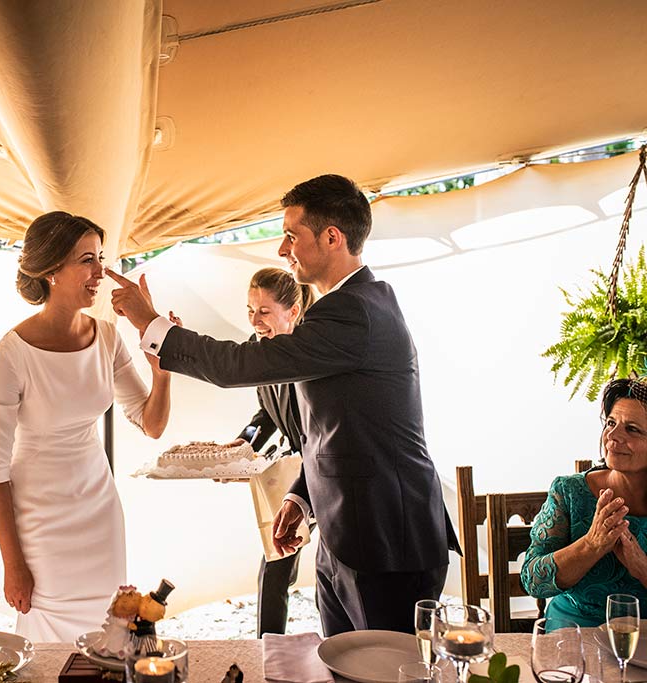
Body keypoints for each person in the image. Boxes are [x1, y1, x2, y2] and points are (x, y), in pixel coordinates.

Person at [108, 174, 460, 636]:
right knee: (341, 666)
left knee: (383, 670)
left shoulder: (354, 311)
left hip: (384, 541)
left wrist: (149, 323)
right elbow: (339, 431)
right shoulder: (346, 307)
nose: (281, 249)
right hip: (344, 534)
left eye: (291, 235)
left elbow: (238, 365)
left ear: (332, 237)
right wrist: (301, 495)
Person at [0, 211, 172, 642]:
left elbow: (151, 423)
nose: (100, 272)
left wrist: (162, 371)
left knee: (111, 630)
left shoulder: (107, 336)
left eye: (100, 258)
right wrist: (13, 564)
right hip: (40, 518)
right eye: (87, 260)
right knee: (48, 638)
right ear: (51, 269)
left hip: (99, 510)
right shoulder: (11, 353)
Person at [521, 378, 647, 627]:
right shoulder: (569, 491)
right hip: (573, 636)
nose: (612, 435)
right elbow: (532, 580)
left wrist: (641, 566)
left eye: (631, 429)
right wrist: (591, 545)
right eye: (611, 423)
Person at [229, 268, 314, 636]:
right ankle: (269, 649)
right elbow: (266, 413)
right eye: (250, 309)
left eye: (264, 311)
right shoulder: (261, 351)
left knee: (337, 576)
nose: (255, 320)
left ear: (292, 311)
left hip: (331, 473)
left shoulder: (314, 351)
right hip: (296, 474)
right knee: (275, 561)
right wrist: (243, 442)